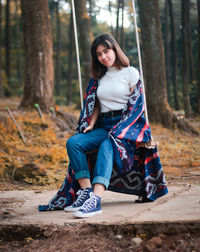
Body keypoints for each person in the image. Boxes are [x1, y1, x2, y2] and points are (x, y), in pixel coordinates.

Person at [38, 33, 168, 217]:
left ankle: (95, 201)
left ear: (115, 49)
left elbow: (137, 103)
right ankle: (86, 192)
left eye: (106, 51)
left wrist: (122, 128)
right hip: (104, 125)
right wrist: (90, 124)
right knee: (74, 143)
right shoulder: (100, 77)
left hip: (127, 127)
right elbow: (96, 104)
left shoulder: (130, 72)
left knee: (108, 144)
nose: (103, 57)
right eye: (99, 54)